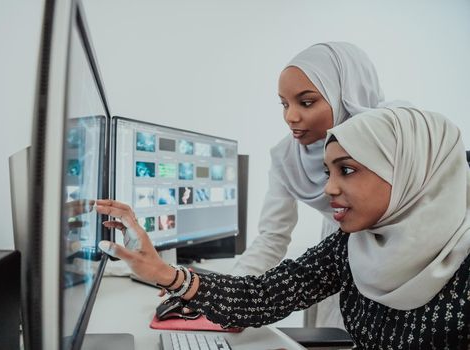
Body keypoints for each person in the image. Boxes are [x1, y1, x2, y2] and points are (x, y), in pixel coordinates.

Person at [95, 107, 470, 349]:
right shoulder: (352, 244)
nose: (329, 189)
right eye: (328, 172)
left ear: (409, 173)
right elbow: (265, 295)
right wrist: (164, 273)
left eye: (348, 170)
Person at [233, 41, 409, 327]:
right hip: (339, 255)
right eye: (284, 104)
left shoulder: (397, 134)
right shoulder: (287, 157)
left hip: (406, 263)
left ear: (345, 95)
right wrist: (229, 296)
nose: (290, 116)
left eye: (306, 102)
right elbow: (271, 238)